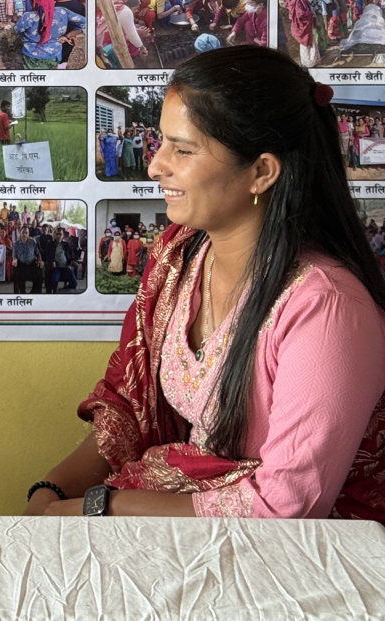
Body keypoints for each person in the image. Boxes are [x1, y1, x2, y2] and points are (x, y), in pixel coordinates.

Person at [25, 46, 385, 523]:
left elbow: (282, 509)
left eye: (182, 149)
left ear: (261, 172)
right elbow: (130, 404)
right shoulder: (181, 257)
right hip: (185, 524)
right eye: (161, 142)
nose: (155, 166)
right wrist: (52, 489)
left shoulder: (326, 307)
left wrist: (103, 505)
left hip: (296, 556)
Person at [15, 5, 87, 69]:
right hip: (53, 55)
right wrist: (68, 35)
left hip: (31, 56)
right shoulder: (62, 11)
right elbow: (85, 22)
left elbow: (17, 30)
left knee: (33, 78)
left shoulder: (28, 16)